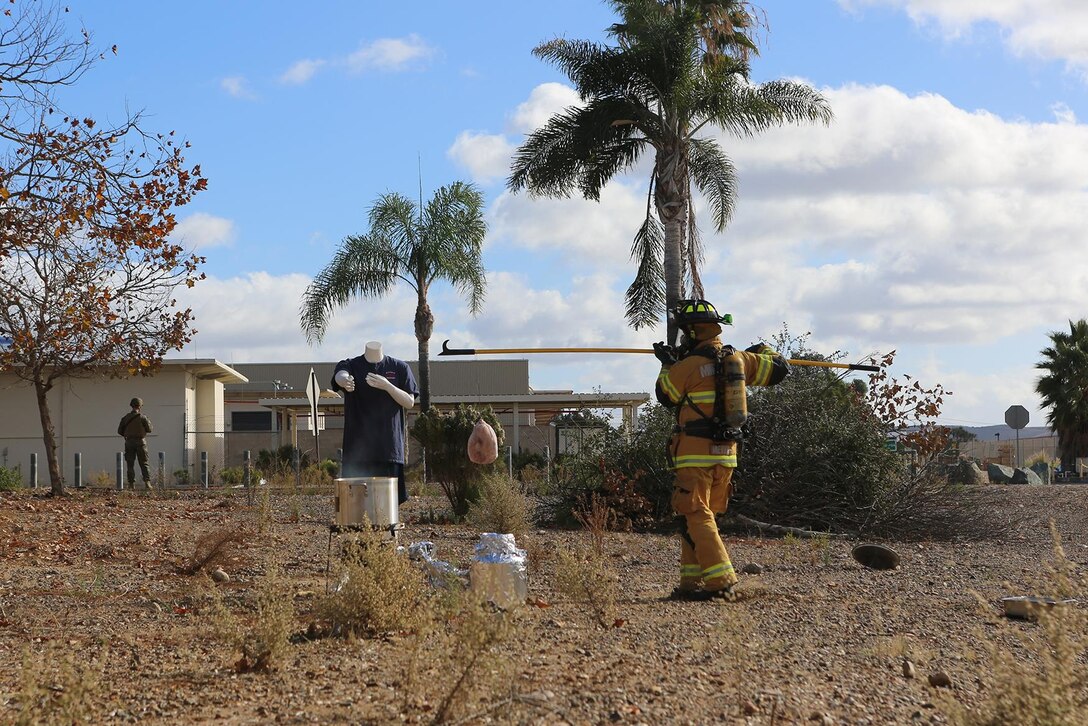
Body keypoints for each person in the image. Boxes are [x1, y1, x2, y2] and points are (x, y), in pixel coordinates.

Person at [653, 299, 789, 602]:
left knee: (695, 512)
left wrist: (666, 363)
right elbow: (780, 369)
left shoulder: (687, 366)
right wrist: (760, 350)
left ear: (690, 332)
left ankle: (722, 581)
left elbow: (666, 394)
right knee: (701, 518)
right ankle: (692, 583)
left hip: (693, 454)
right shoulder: (738, 361)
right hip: (726, 454)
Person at [331, 341, 418, 503]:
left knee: (389, 504)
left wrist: (388, 387)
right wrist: (344, 381)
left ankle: (388, 529)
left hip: (389, 451)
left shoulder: (400, 367)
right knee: (356, 504)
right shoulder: (351, 365)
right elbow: (339, 375)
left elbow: (409, 401)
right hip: (357, 453)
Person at [118, 397, 153, 489]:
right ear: (140, 406)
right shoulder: (143, 417)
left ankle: (131, 484)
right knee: (144, 463)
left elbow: (120, 431)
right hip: (141, 442)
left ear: (131, 405)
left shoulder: (125, 418)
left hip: (129, 442)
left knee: (130, 464)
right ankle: (147, 483)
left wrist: (128, 434)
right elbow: (149, 429)